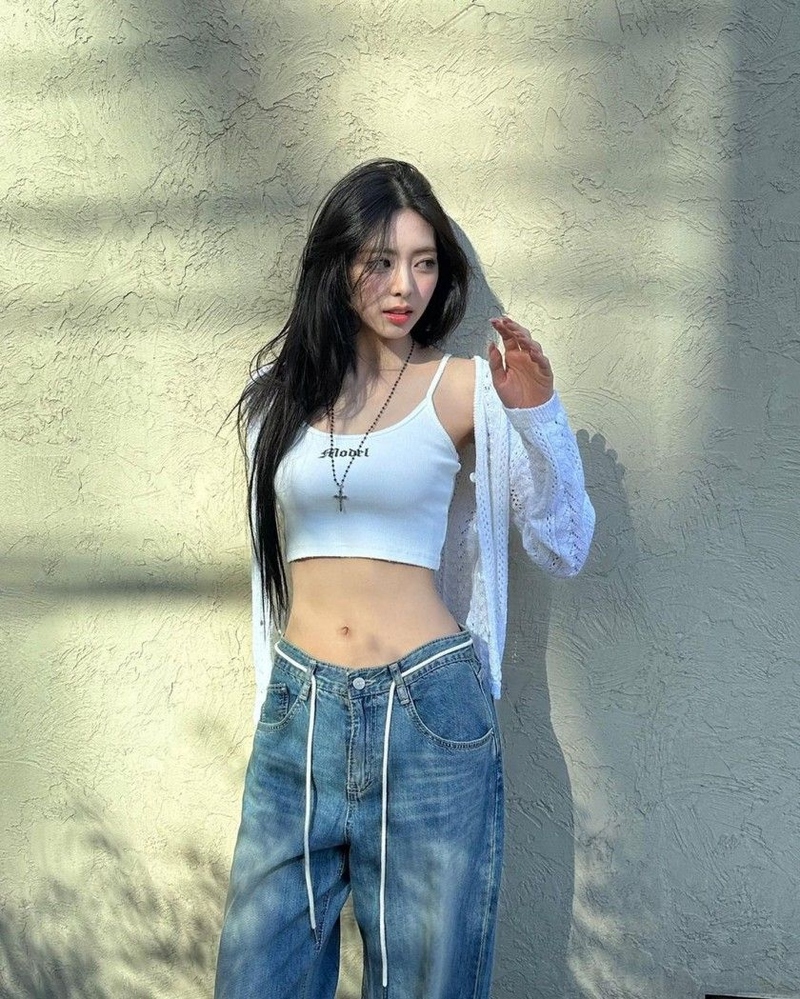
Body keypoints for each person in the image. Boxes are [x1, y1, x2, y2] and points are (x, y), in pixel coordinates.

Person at [214, 159, 595, 999]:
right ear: (338, 263)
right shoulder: (274, 398)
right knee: (258, 974)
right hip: (300, 710)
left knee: (427, 981)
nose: (404, 286)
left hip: (428, 713)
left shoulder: (463, 388)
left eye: (424, 262)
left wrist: (537, 414)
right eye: (380, 261)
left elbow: (564, 542)